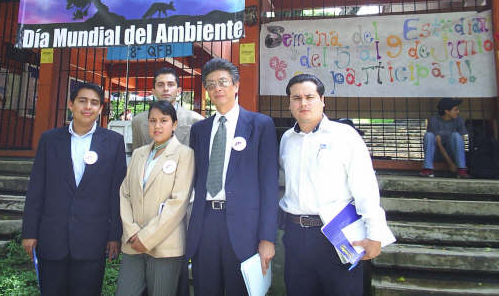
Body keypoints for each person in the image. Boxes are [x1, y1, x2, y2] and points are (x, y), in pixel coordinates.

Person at [279, 74, 395, 296]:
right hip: (295, 234)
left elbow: (365, 187)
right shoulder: (286, 140)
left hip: (337, 234)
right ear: (290, 103)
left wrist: (375, 234)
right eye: (297, 98)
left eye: (310, 97)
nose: (303, 103)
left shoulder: (344, 136)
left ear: (322, 100)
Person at [21, 83, 127, 296]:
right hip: (52, 237)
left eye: (94, 103)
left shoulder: (113, 142)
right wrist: (29, 232)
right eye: (82, 101)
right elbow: (36, 188)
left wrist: (114, 235)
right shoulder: (50, 140)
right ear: (71, 104)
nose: (88, 107)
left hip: (92, 239)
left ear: (100, 109)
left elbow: (118, 193)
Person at [186, 58, 279, 296]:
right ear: (207, 91)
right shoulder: (199, 130)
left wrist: (267, 237)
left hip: (244, 228)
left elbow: (269, 185)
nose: (217, 88)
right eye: (211, 84)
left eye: (223, 82)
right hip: (205, 223)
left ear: (236, 85)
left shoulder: (260, 125)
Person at [116, 100, 195, 296]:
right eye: (152, 120)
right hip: (133, 243)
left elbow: (178, 202)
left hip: (165, 246)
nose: (157, 126)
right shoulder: (138, 154)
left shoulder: (185, 154)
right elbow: (125, 194)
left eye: (164, 120)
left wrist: (147, 237)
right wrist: (132, 231)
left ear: (174, 124)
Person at [131, 67, 203, 150]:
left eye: (171, 84)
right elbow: (137, 157)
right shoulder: (138, 121)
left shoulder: (196, 121)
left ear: (179, 91)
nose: (166, 89)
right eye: (160, 85)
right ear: (153, 91)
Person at [420, 97, 471, 178]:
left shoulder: (459, 120)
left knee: (456, 136)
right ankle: (427, 169)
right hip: (436, 153)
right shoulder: (433, 120)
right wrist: (450, 163)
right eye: (455, 109)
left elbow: (461, 142)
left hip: (452, 152)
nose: (458, 112)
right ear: (447, 111)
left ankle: (461, 169)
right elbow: (439, 144)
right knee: (429, 135)